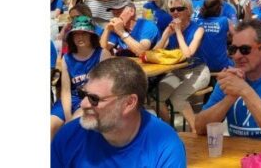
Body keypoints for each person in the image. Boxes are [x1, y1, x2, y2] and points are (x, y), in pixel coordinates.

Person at [51, 57, 186, 167]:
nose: (83, 104)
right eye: (83, 94)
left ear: (129, 103)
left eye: (94, 99)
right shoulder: (68, 136)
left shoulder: (165, 146)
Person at [195, 20, 261, 139]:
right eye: (233, 49)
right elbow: (200, 128)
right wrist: (230, 97)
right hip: (239, 149)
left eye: (245, 49)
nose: (237, 56)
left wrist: (244, 90)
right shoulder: (231, 78)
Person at [152, 0, 211, 132]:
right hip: (177, 72)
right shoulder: (171, 29)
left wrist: (178, 32)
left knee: (177, 98)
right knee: (156, 97)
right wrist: (165, 35)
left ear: (188, 11)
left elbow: (188, 54)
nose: (175, 12)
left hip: (198, 71)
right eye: (172, 10)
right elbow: (154, 53)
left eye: (179, 9)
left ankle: (196, 131)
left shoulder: (198, 29)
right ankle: (169, 130)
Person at [51, 16, 111, 139]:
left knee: (75, 127)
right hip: (70, 99)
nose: (80, 37)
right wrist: (67, 117)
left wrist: (70, 122)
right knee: (50, 127)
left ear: (91, 35)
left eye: (84, 33)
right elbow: (66, 91)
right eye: (76, 34)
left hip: (90, 99)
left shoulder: (102, 54)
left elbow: (105, 89)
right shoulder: (67, 58)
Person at [195, 0, 233, 72]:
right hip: (223, 66)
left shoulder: (197, 22)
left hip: (202, 67)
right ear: (219, 9)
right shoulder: (225, 20)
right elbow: (237, 36)